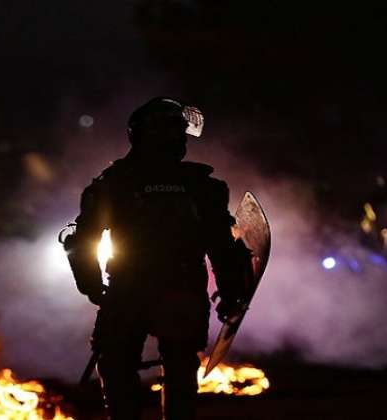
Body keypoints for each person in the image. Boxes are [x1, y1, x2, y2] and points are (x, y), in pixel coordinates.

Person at [63, 97, 250, 419]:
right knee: (179, 369)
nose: (179, 139)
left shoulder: (113, 184)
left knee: (118, 367)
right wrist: (233, 292)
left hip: (128, 291)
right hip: (182, 290)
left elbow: (81, 242)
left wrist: (93, 287)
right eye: (174, 131)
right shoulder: (201, 187)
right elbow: (223, 246)